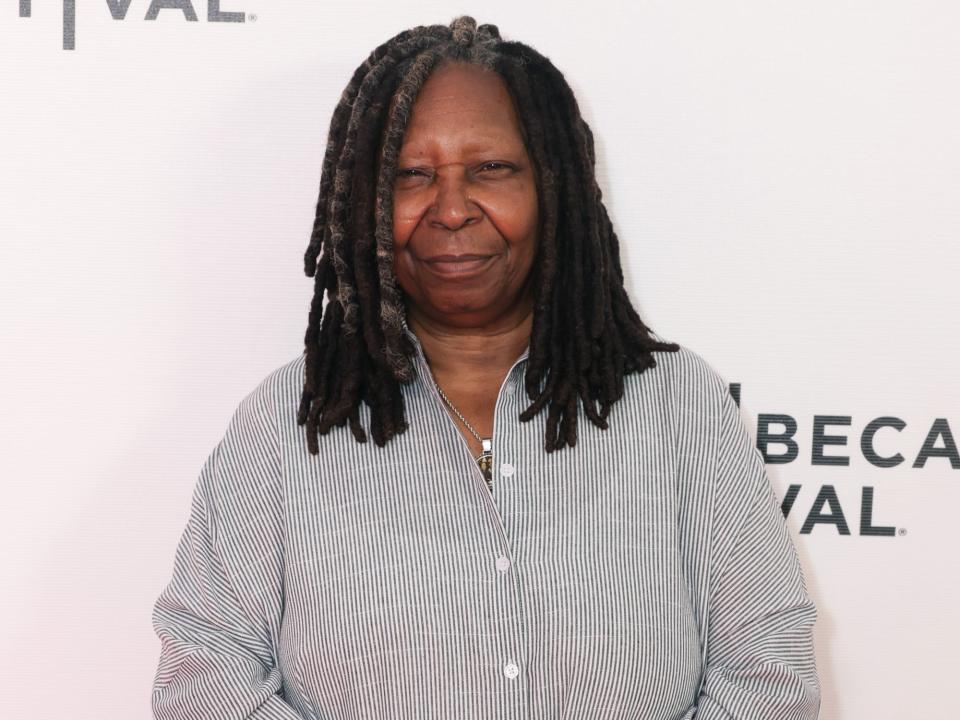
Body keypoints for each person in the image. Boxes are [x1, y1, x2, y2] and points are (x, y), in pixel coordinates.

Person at [151, 16, 821, 720]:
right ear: (365, 203)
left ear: (553, 188)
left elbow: (767, 667)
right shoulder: (285, 425)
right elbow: (207, 673)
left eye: (491, 169)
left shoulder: (679, 407)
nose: (450, 209)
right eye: (411, 175)